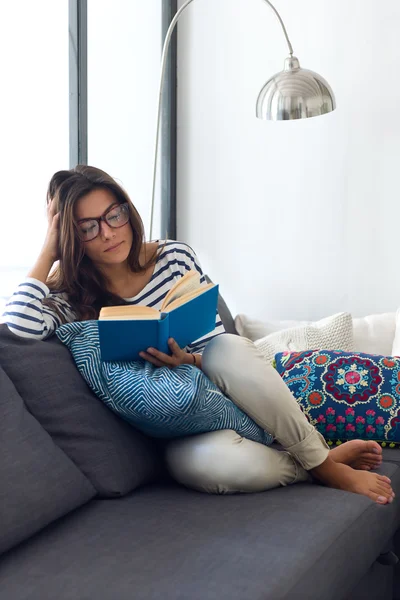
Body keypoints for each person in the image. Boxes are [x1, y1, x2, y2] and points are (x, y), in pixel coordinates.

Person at [4, 165, 394, 505]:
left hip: (225, 393)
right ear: (71, 238)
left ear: (128, 211)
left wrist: (188, 359)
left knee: (228, 348)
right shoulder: (69, 299)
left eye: (114, 215)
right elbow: (18, 329)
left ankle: (324, 464)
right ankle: (315, 466)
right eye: (88, 227)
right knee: (202, 468)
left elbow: (220, 346)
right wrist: (46, 252)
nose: (108, 233)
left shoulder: (173, 258)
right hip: (179, 432)